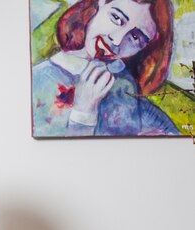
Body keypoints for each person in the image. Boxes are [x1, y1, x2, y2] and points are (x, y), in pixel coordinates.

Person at [32, 0, 179, 137]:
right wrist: (83, 112)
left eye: (135, 37)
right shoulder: (39, 79)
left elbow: (171, 133)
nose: (117, 40)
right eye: (116, 18)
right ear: (99, 3)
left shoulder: (124, 85)